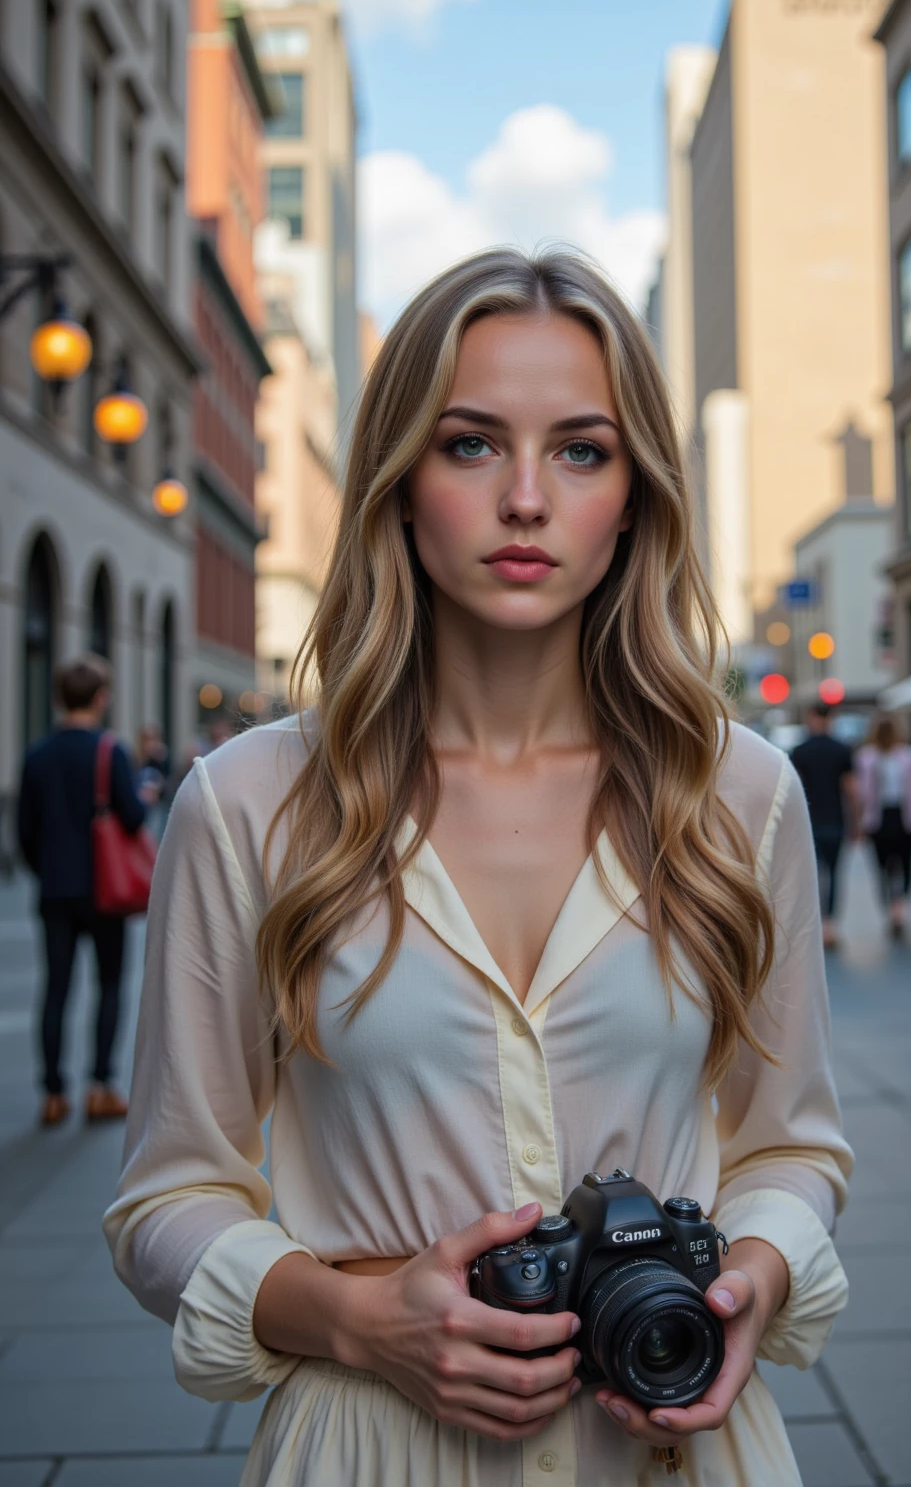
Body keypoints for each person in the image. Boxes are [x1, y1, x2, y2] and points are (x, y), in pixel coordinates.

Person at [104, 250, 852, 1487]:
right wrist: (355, 1320)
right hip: (369, 1449)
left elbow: (791, 1150)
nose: (523, 498)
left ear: (636, 496)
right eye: (467, 444)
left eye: (578, 450)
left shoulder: (739, 793)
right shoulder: (248, 804)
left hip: (676, 1448)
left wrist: (750, 1280)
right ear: (398, 484)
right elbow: (166, 1200)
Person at [17, 655, 154, 1127]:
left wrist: (48, 870)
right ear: (101, 698)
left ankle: (53, 1094)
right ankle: (100, 1087)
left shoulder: (36, 754)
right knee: (109, 984)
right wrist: (143, 797)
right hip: (104, 891)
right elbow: (133, 819)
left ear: (58, 698)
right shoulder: (109, 752)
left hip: (55, 888)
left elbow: (24, 833)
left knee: (55, 988)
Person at [855, 714, 911, 938]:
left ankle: (900, 907)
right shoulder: (866, 758)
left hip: (903, 816)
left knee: (907, 865)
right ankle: (891, 907)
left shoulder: (907, 757)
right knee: (882, 867)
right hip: (878, 818)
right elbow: (862, 794)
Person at [790, 703, 857, 949]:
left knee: (812, 877)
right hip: (835, 821)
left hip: (808, 823)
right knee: (835, 874)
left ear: (811, 717)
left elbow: (792, 792)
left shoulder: (800, 751)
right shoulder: (842, 750)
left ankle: (815, 925)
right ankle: (829, 925)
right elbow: (851, 791)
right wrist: (857, 822)